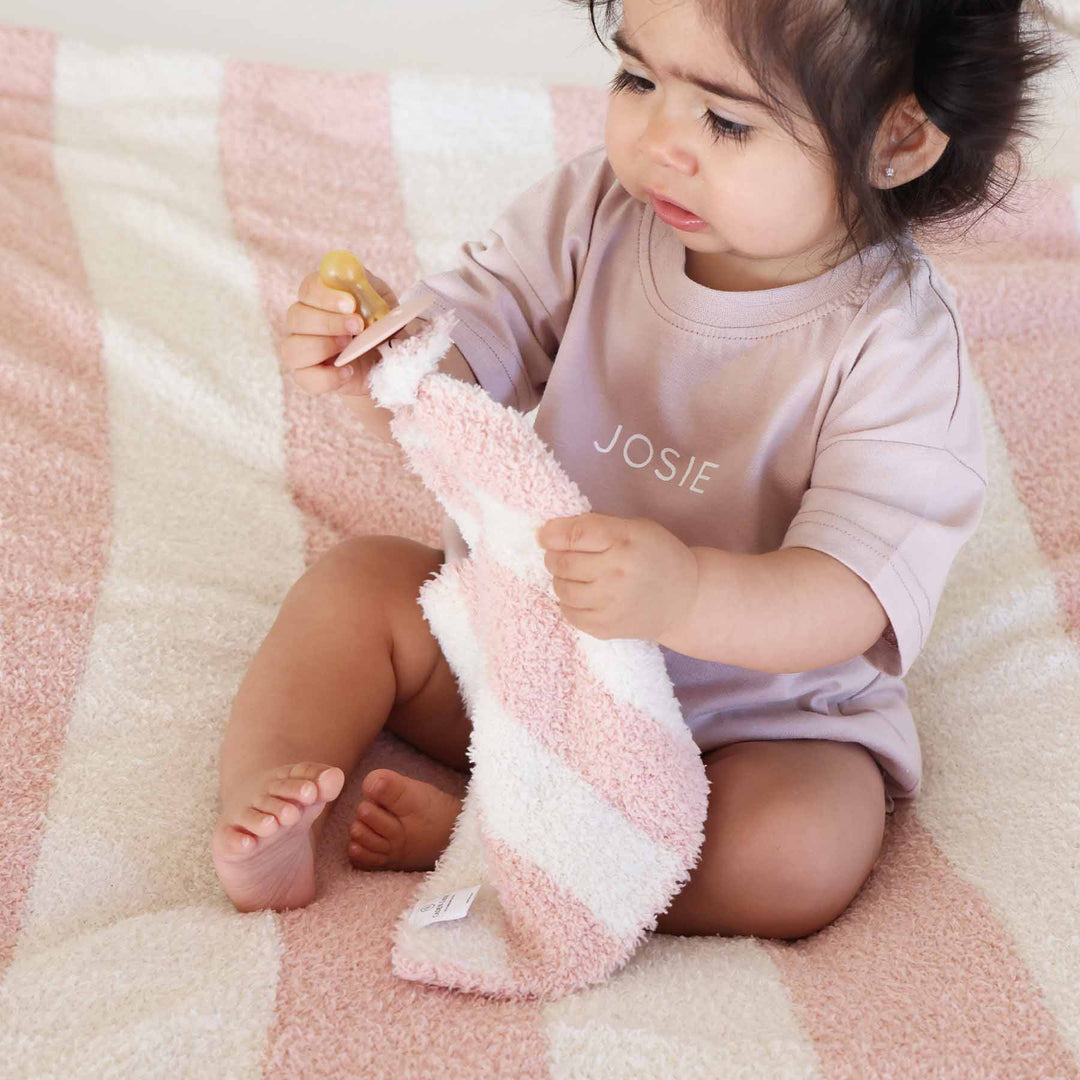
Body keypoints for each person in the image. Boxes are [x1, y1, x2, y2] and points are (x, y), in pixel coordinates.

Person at [211, 0, 1059, 936]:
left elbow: (849, 594)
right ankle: (272, 791)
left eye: (726, 121)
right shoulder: (596, 211)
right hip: (529, 660)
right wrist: (389, 363)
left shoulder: (896, 346)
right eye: (638, 78)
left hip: (743, 726)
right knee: (356, 586)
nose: (657, 142)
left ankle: (512, 847)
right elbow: (476, 343)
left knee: (801, 846)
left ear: (896, 139)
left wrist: (685, 595)